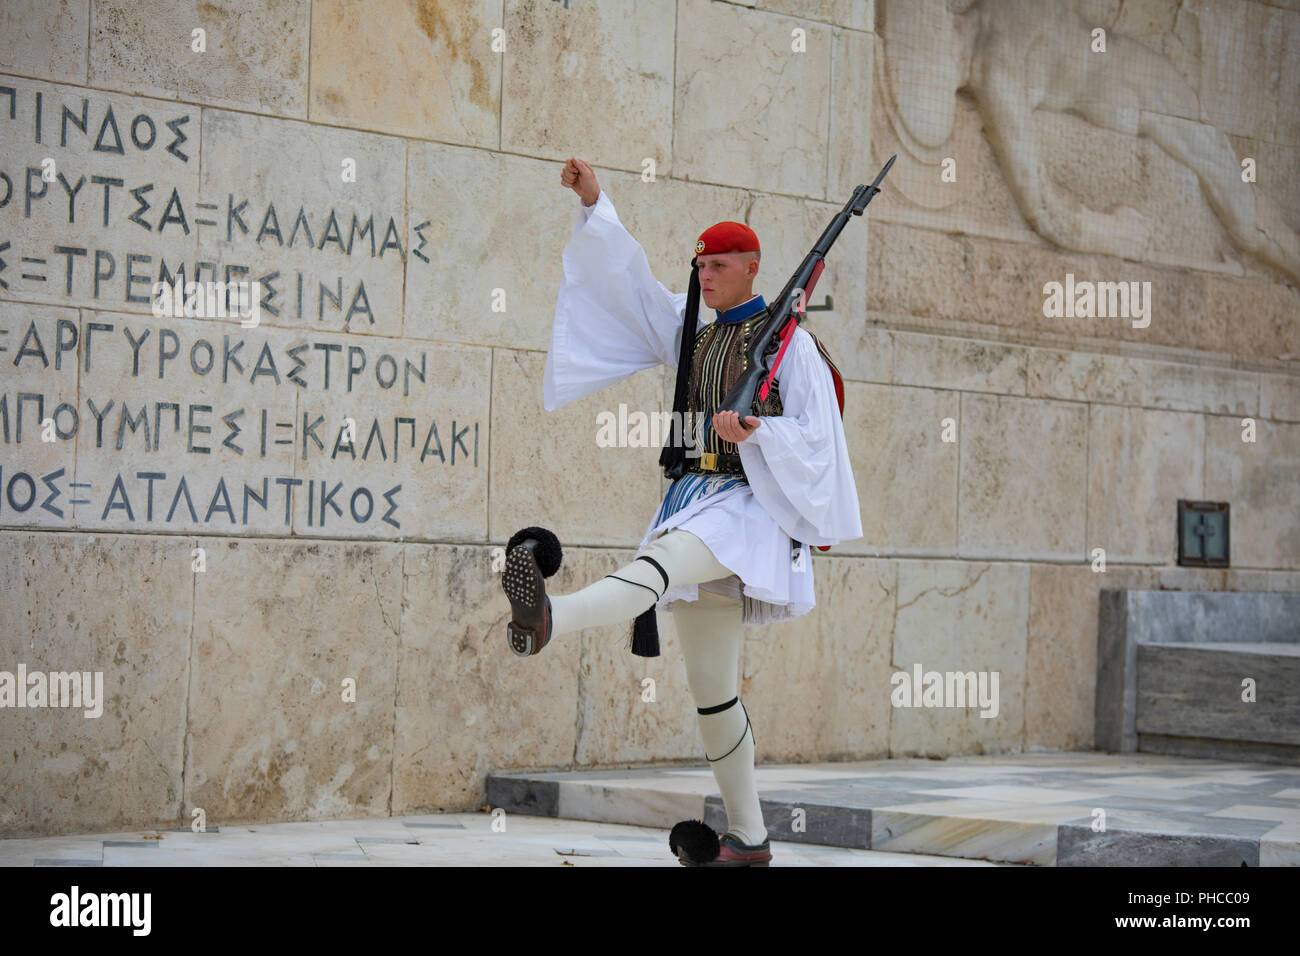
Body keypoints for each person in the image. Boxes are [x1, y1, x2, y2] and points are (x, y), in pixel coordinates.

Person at [500, 157, 863, 866]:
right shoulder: (690, 325)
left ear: (753, 269)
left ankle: (549, 617)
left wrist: (760, 432)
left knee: (658, 566)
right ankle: (751, 839)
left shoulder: (792, 348)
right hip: (691, 494)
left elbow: (821, 437)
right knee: (711, 689)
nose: (706, 275)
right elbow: (628, 286)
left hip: (749, 509)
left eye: (720, 266)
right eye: (701, 265)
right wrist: (595, 202)